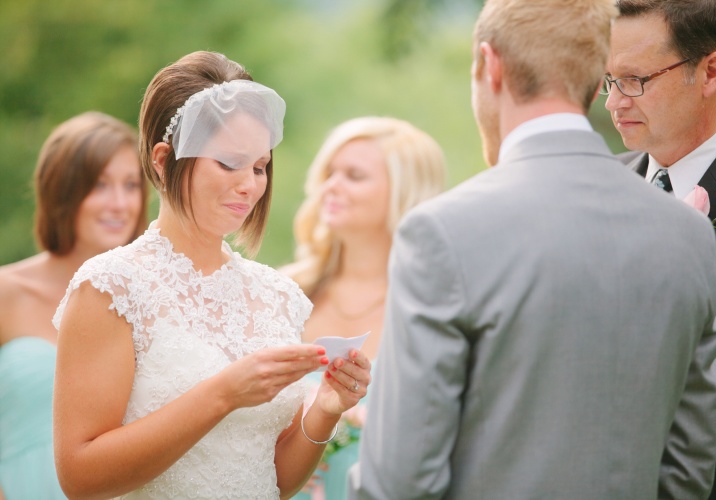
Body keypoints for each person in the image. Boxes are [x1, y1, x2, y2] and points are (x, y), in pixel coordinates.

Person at [348, 0, 716, 498]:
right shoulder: (690, 233)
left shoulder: (442, 231)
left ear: (490, 65)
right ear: (595, 84)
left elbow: (396, 481)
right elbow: (690, 465)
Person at [51, 51, 372, 499]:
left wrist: (326, 409)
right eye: (229, 163)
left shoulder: (279, 295)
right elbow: (80, 478)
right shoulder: (112, 286)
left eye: (260, 167)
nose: (250, 185)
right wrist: (223, 394)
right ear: (164, 159)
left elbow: (274, 480)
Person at [602, 1, 716, 497]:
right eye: (608, 80)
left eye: (635, 79)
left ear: (710, 71)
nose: (614, 102)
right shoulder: (596, 192)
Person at [282, 116, 445, 499]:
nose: (330, 187)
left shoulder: (433, 309)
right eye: (329, 173)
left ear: (405, 193)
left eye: (354, 176)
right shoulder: (285, 293)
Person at [0, 111, 148, 499]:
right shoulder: (6, 293)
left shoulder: (150, 305)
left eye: (131, 185)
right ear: (62, 191)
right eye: (100, 185)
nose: (120, 204)